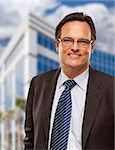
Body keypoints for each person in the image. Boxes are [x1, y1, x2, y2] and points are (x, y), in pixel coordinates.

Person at [24, 12, 114, 150]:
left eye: (83, 41)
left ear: (92, 48)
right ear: (57, 45)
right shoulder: (38, 84)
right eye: (67, 40)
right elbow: (30, 140)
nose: (75, 47)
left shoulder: (111, 88)